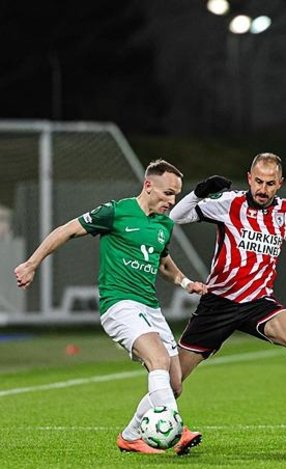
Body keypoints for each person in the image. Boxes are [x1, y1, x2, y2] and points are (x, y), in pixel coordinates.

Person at [14, 159, 208, 455]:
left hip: (150, 308)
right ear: (148, 185)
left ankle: (130, 436)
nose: (172, 201)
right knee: (157, 359)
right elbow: (66, 230)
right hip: (119, 304)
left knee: (174, 383)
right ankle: (176, 429)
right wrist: (31, 264)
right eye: (168, 193)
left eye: (176, 195)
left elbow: (163, 263)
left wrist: (185, 282)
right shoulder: (115, 212)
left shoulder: (164, 225)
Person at [168, 152, 286, 445]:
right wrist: (199, 193)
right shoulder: (228, 204)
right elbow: (174, 218)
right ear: (249, 178)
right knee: (173, 381)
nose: (263, 189)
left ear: (280, 183)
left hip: (258, 303)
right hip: (218, 303)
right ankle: (140, 429)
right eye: (258, 181)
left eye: (270, 183)